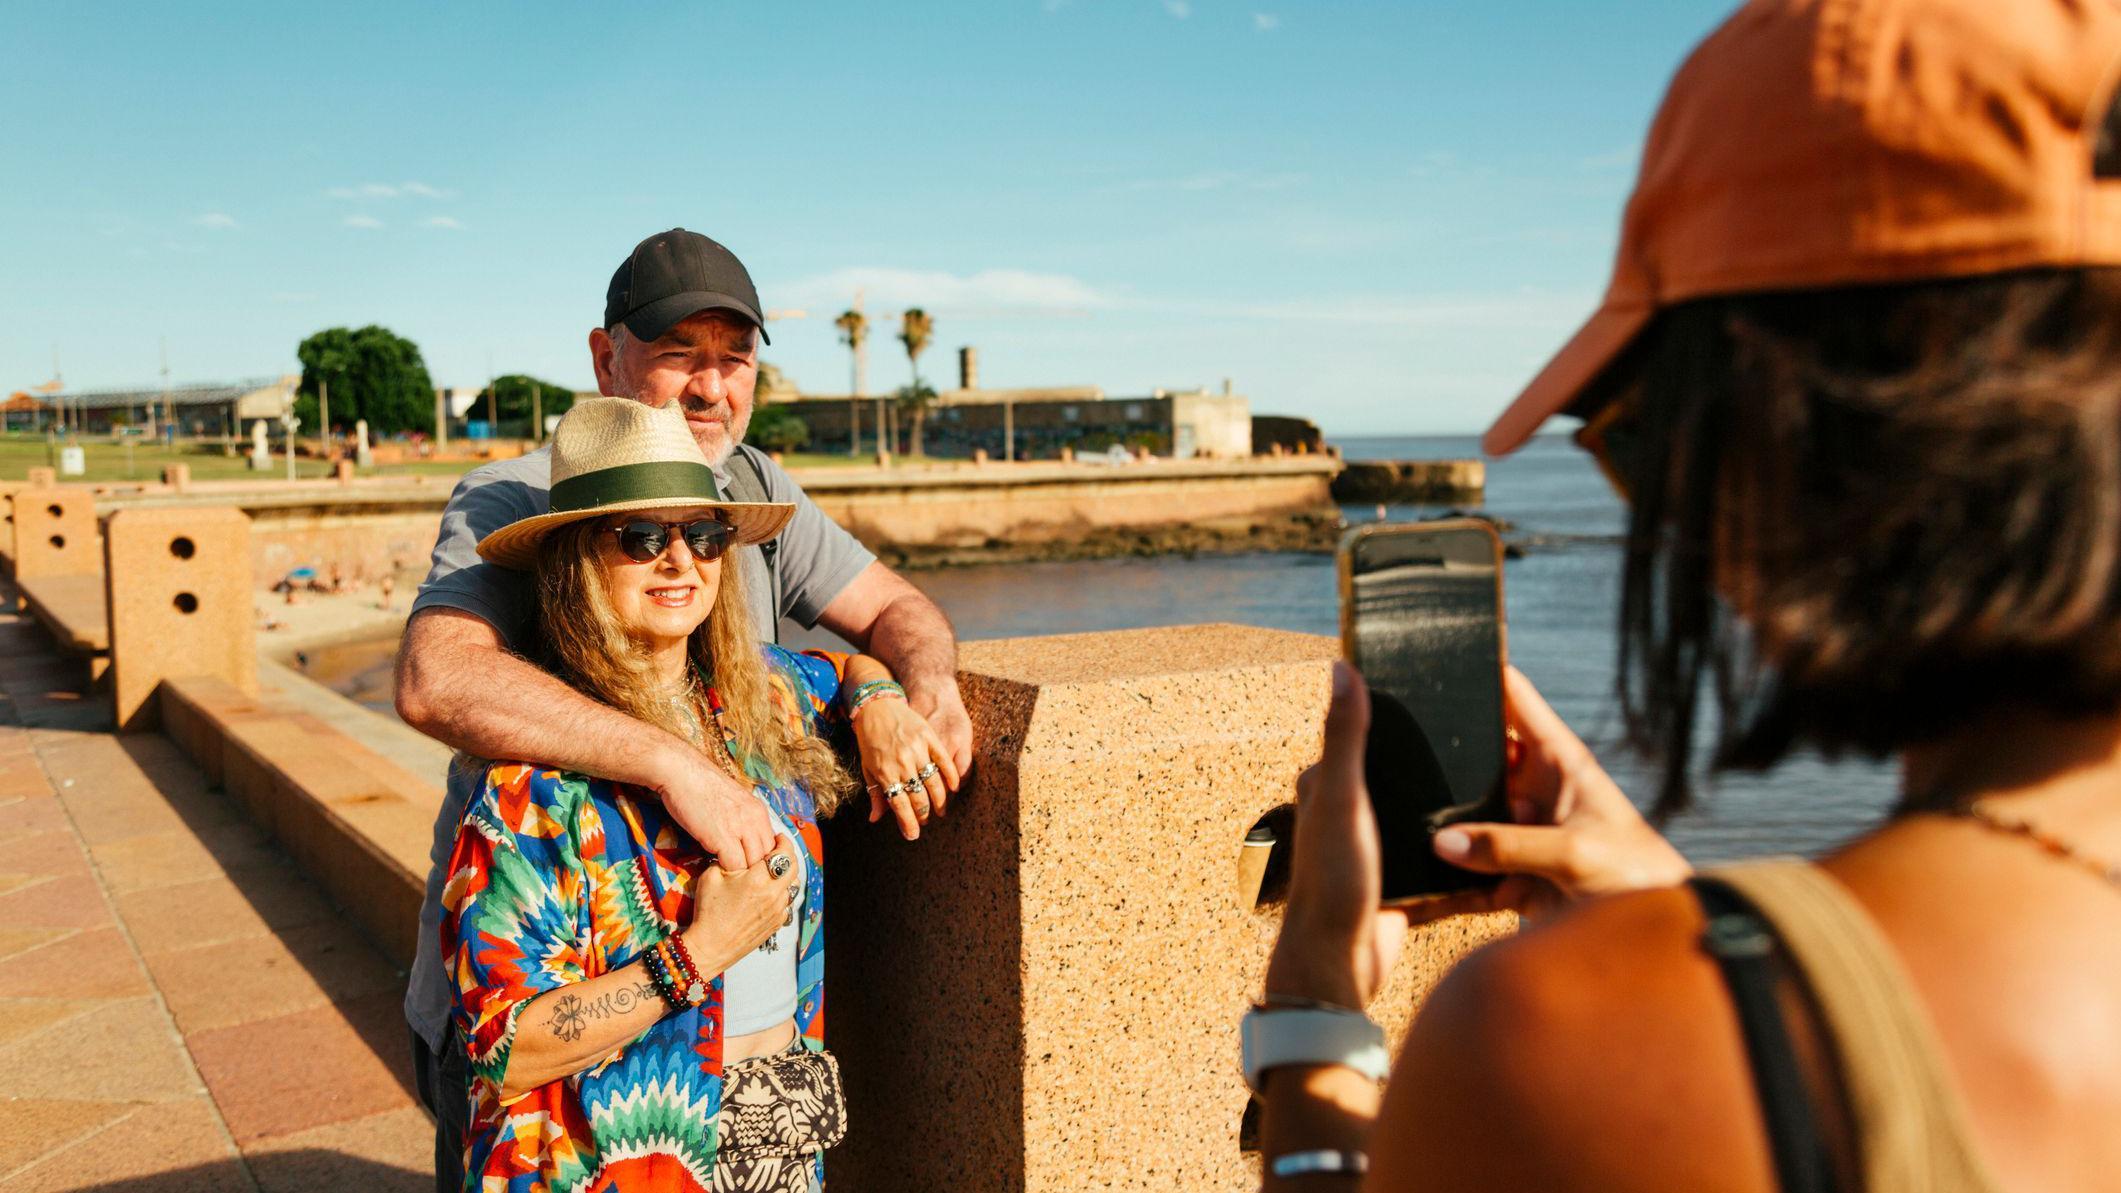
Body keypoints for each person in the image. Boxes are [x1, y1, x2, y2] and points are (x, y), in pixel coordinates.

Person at [1249, 1, 2121, 1190]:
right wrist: (1696, 908)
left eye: (1646, 436)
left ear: (1797, 440)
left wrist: (1312, 1033)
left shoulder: (1567, 1038)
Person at [398, 229, 973, 1190]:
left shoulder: (750, 486)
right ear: (604, 357)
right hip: (592, 1092)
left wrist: (904, 690)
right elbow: (437, 679)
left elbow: (886, 618)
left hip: (748, 1096)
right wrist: (675, 765)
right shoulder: (519, 498)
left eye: (734, 358)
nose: (711, 387)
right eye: (678, 355)